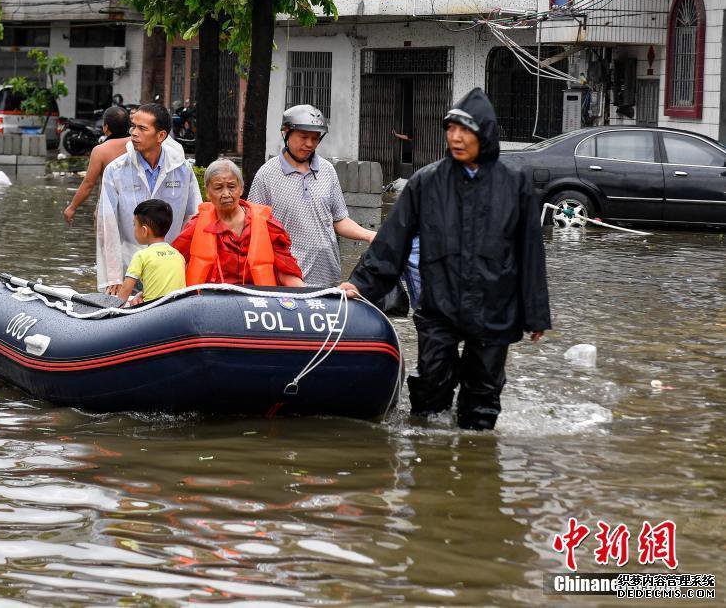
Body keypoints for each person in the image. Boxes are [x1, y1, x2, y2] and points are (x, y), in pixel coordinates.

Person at [339, 88, 552, 431]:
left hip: (494, 308)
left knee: (482, 397)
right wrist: (361, 284)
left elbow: (530, 252)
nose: (455, 137)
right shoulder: (427, 181)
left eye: (465, 130)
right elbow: (394, 240)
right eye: (451, 129)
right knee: (430, 390)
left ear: (484, 134)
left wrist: (536, 312)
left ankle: (477, 463)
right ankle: (429, 463)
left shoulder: (515, 185)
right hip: (439, 303)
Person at [248, 104, 376, 287]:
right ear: (286, 132)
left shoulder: (327, 171)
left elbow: (339, 220)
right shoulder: (267, 174)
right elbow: (253, 229)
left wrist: (369, 235)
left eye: (315, 138)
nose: (309, 144)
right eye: (303, 137)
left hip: (327, 276)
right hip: (284, 279)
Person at [97, 103, 202, 293]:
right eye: (133, 126)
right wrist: (112, 276)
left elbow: (194, 218)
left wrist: (184, 262)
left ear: (161, 136)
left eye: (142, 128)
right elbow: (107, 223)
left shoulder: (182, 169)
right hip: (128, 265)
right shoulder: (116, 170)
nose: (134, 133)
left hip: (169, 267)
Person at [173, 159, 304, 287]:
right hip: (210, 303)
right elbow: (174, 263)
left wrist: (307, 298)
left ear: (241, 189)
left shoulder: (265, 223)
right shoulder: (197, 225)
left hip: (255, 302)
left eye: (231, 187)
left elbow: (287, 271)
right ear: (207, 192)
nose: (226, 194)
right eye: (218, 188)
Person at [62, 106, 132, 225]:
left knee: (106, 244)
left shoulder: (100, 150)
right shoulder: (137, 145)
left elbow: (89, 183)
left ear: (105, 128)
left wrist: (72, 207)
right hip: (134, 207)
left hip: (108, 209)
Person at [116, 199, 186, 306]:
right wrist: (142, 294)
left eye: (134, 225)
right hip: (177, 308)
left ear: (144, 230)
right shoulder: (179, 255)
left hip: (152, 312)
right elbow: (165, 284)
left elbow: (126, 289)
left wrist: (113, 311)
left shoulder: (141, 256)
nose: (134, 228)